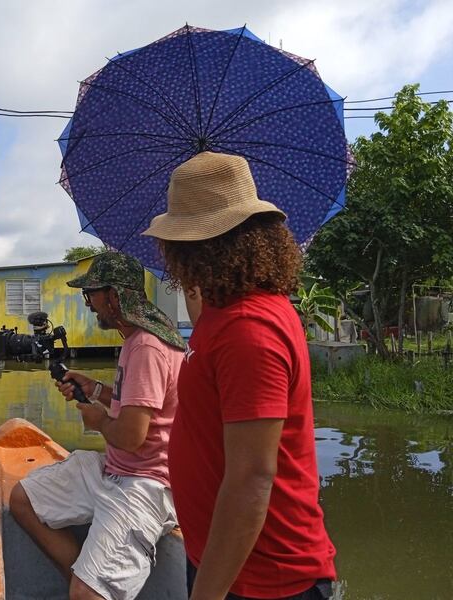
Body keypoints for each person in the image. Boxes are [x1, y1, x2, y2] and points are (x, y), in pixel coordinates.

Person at [143, 151, 336, 600]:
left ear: (197, 250)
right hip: (227, 562)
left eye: (178, 244)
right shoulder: (225, 311)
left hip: (264, 579)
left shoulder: (249, 330)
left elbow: (252, 478)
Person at [9, 251, 186, 600]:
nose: (88, 303)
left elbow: (133, 437)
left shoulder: (147, 348)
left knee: (86, 594)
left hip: (146, 484)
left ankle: (88, 591)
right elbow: (140, 409)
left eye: (91, 294)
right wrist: (96, 390)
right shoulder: (136, 340)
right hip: (116, 469)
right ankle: (82, 580)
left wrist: (98, 420)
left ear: (115, 295)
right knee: (22, 499)